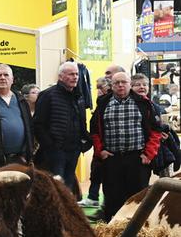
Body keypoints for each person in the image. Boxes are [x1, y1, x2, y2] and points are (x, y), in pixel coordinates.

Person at [89, 72, 162, 222]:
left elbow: (156, 131)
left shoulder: (144, 103)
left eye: (124, 82)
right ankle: (112, 234)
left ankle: (138, 232)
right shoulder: (103, 103)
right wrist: (100, 151)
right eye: (116, 83)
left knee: (138, 199)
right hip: (112, 159)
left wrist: (148, 154)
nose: (120, 85)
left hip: (137, 159)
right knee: (112, 199)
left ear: (129, 84)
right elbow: (95, 130)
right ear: (112, 85)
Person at [33, 62, 90, 187]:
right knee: (56, 187)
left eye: (76, 74)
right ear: (60, 77)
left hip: (74, 150)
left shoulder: (79, 96)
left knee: (68, 186)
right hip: (55, 151)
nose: (75, 77)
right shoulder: (48, 95)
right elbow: (38, 124)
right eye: (71, 74)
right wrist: (50, 146)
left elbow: (82, 123)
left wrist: (85, 142)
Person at [79, 76, 112, 207]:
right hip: (99, 144)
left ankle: (103, 200)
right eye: (97, 88)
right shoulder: (101, 102)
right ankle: (93, 197)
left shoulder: (108, 102)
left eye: (100, 88)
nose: (98, 91)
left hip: (106, 145)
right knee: (96, 172)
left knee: (104, 174)